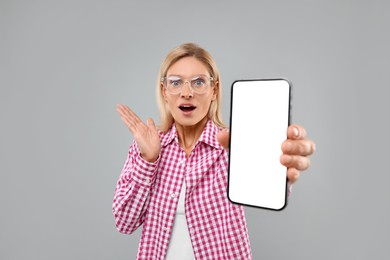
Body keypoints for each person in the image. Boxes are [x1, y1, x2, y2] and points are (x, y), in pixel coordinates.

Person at [112, 43, 315, 259]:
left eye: (199, 82)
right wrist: (149, 161)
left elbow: (267, 181)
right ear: (164, 91)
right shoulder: (146, 146)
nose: (187, 93)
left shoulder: (231, 145)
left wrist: (281, 170)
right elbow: (124, 222)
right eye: (176, 82)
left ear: (214, 90)